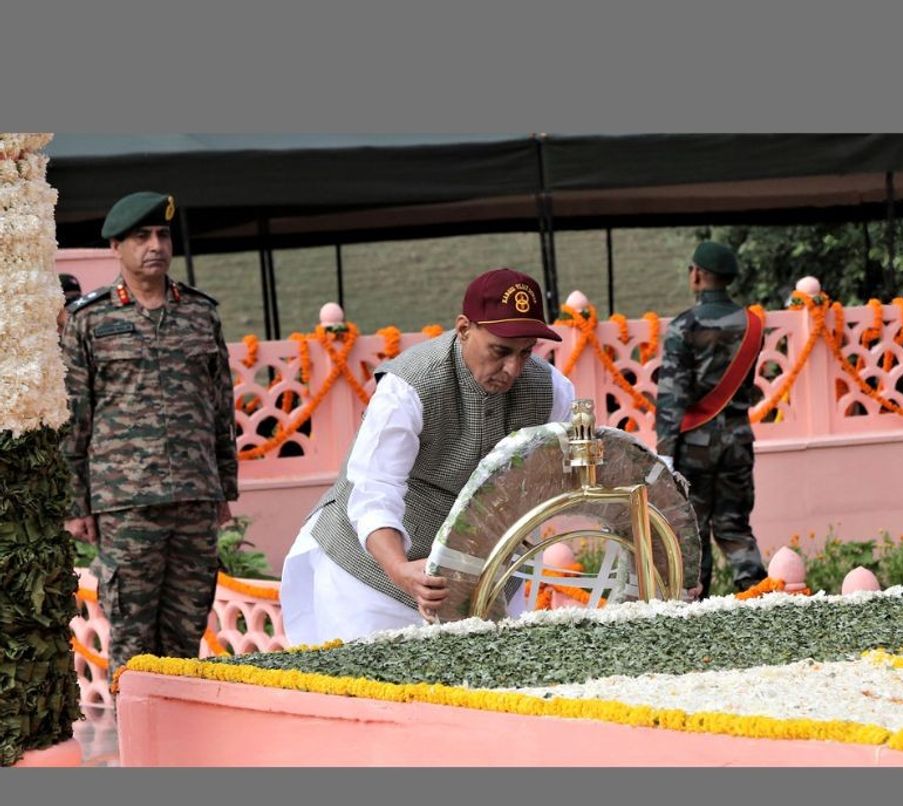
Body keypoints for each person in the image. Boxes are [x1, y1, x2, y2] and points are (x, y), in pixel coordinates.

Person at [280, 268, 575, 643]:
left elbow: (559, 471)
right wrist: (399, 568)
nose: (513, 369)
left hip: (483, 581)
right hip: (370, 581)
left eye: (525, 352)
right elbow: (374, 488)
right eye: (500, 351)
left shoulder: (552, 390)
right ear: (465, 328)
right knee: (370, 692)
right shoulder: (409, 385)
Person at [60, 191, 238, 688]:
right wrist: (78, 504)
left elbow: (221, 407)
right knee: (133, 637)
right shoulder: (90, 320)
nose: (155, 245)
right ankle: (138, 751)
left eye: (161, 235)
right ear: (116, 246)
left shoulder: (200, 314)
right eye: (141, 237)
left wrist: (224, 488)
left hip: (196, 496)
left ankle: (182, 749)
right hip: (126, 502)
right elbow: (77, 416)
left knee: (185, 636)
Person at [655, 240, 768, 598]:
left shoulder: (683, 327)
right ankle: (760, 601)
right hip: (738, 440)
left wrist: (665, 452)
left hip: (694, 446)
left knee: (694, 531)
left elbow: (672, 396)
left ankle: (697, 610)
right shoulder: (752, 325)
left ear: (699, 275)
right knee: (736, 528)